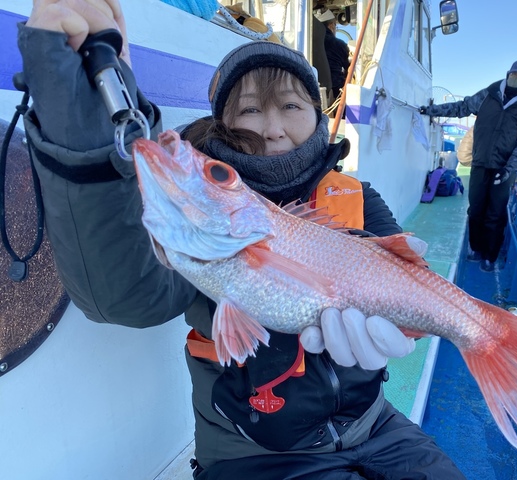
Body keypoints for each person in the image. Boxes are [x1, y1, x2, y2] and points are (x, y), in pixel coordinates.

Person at [18, 1, 465, 479]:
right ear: (225, 125)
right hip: (250, 452)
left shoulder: (356, 195)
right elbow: (125, 298)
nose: (273, 129)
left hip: (375, 425)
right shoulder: (199, 223)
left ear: (317, 116)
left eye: (292, 106)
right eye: (251, 109)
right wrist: (84, 127)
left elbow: (404, 278)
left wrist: (415, 319)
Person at [421, 61, 517, 272]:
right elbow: (462, 107)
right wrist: (431, 110)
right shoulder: (489, 93)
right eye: (514, 74)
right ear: (508, 73)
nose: (516, 78)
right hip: (481, 163)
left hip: (505, 168)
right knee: (475, 209)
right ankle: (475, 248)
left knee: (495, 212)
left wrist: (510, 168)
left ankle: (490, 256)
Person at [315, 9, 350, 104]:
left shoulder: (309, 42)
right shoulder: (339, 44)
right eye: (335, 26)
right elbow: (349, 69)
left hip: (313, 87)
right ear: (331, 25)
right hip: (335, 90)